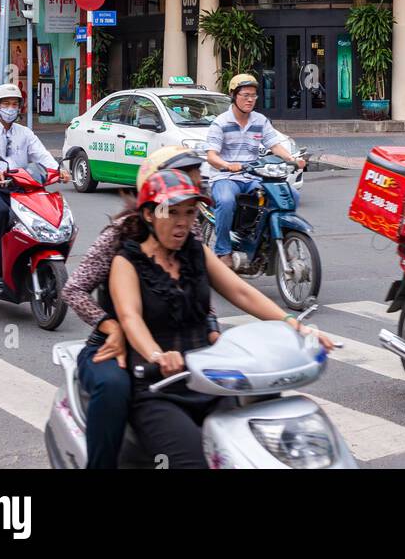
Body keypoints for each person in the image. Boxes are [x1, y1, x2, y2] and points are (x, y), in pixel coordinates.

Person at [109, 169, 333, 469]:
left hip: (212, 380)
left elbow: (241, 292)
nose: (182, 223)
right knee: (193, 463)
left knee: (252, 453)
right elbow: (129, 316)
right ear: (149, 215)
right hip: (160, 388)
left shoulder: (196, 251)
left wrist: (294, 323)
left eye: (189, 213)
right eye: (171, 212)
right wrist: (156, 355)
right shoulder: (127, 261)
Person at [63, 148, 211, 469]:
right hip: (115, 345)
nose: (195, 183)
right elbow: (73, 290)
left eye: (195, 177)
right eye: (183, 175)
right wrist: (110, 326)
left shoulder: (191, 228)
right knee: (115, 387)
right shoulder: (118, 236)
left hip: (170, 343)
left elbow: (199, 286)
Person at [0, 84, 70, 291]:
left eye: (15, 104)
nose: (10, 108)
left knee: (42, 215)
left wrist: (58, 170)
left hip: (21, 189)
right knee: (1, 213)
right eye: (6, 104)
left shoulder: (25, 133)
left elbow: (41, 155)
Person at [205, 74, 306, 264]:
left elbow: (274, 145)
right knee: (226, 201)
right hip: (226, 177)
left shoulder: (260, 121)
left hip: (253, 176)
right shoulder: (220, 123)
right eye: (245, 95)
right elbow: (211, 156)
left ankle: (275, 241)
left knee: (291, 195)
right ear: (233, 96)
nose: (250, 99)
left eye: (253, 95)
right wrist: (227, 165)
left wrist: (292, 159)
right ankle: (223, 250)